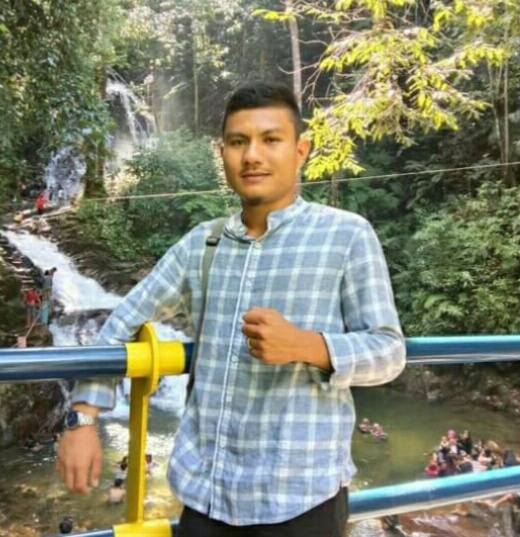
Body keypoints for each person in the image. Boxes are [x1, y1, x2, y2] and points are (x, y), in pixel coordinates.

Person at [56, 82, 406, 536]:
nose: (252, 155)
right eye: (239, 142)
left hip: (302, 502)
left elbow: (388, 351)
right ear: (222, 154)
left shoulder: (347, 235)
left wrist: (307, 345)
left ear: (300, 151)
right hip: (206, 500)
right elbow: (123, 320)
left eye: (270, 139)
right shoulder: (201, 244)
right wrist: (83, 418)